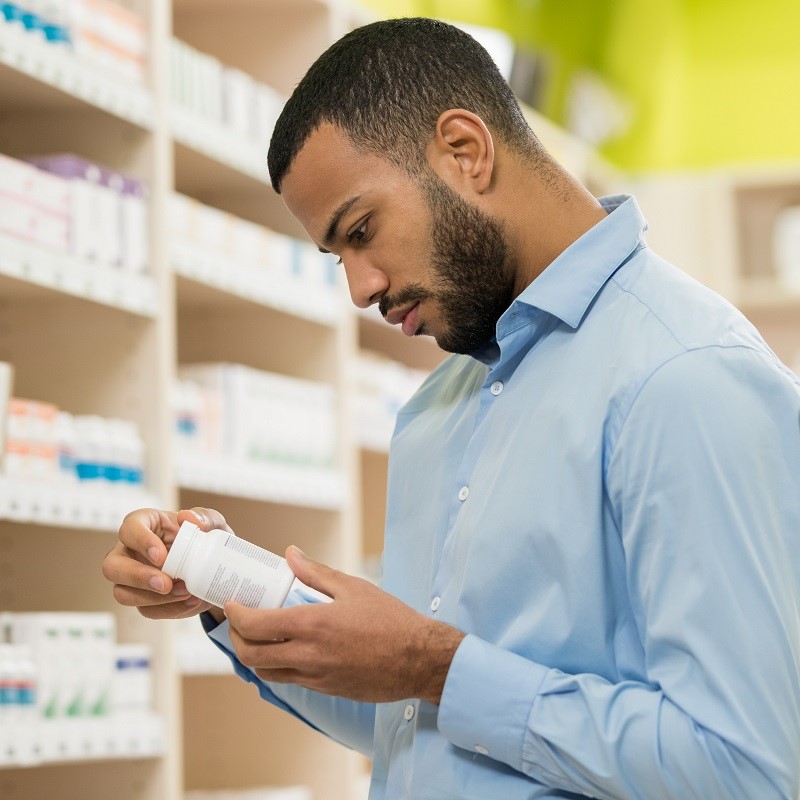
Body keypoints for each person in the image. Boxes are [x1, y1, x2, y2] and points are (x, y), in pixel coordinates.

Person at [102, 17, 800, 800]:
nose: (360, 288)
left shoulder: (687, 375)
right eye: (339, 255)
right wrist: (221, 585)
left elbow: (747, 769)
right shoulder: (438, 408)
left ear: (465, 151)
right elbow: (416, 721)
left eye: (361, 231)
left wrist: (433, 665)